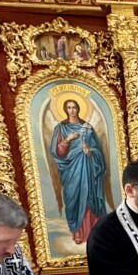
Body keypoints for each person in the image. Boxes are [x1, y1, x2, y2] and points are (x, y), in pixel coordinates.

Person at [50, 99, 108, 244]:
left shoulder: (87, 128)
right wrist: (67, 140)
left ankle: (95, 232)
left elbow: (98, 150)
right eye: (69, 107)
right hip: (70, 171)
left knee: (89, 197)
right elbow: (57, 152)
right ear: (65, 109)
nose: (72, 110)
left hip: (87, 168)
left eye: (74, 107)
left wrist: (90, 152)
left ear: (78, 109)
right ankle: (78, 233)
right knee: (73, 198)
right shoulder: (60, 128)